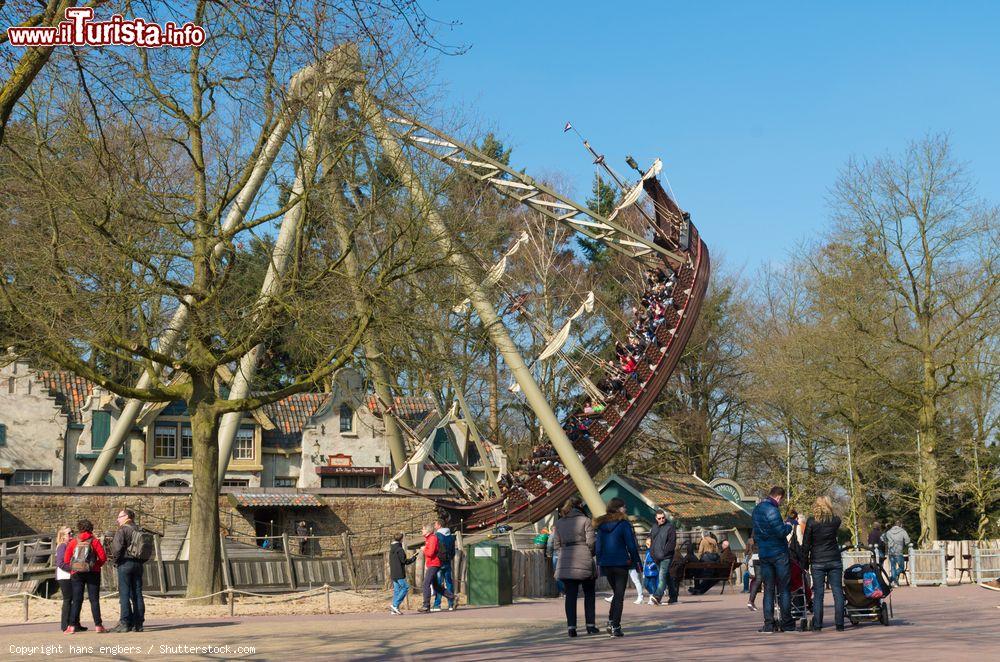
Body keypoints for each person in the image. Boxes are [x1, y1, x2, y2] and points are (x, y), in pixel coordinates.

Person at [552, 496, 598, 637]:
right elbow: (591, 543)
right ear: (580, 506)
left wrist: (564, 553)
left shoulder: (559, 523)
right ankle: (590, 626)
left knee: (570, 595)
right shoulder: (586, 521)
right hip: (584, 557)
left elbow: (556, 545)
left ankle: (571, 628)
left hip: (566, 560)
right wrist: (587, 553)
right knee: (589, 593)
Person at [594, 497, 641, 637]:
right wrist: (636, 561)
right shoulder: (624, 524)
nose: (626, 509)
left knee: (616, 593)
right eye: (624, 507)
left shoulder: (601, 525)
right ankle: (616, 626)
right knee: (619, 595)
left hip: (607, 563)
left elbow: (598, 546)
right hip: (621, 562)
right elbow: (631, 545)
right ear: (619, 508)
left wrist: (599, 562)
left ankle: (610, 620)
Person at [752, 486, 794, 633]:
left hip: (764, 554)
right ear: (778, 497)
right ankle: (787, 624)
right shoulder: (773, 510)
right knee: (784, 589)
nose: (781, 503)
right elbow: (781, 532)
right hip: (778, 554)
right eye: (781, 500)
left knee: (768, 589)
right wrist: (788, 525)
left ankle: (768, 624)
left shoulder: (756, 510)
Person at [802, 496, 845, 632]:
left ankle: (818, 624)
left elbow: (806, 544)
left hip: (818, 560)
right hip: (834, 559)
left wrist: (804, 562)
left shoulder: (811, 522)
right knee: (837, 592)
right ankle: (840, 623)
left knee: (819, 594)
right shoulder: (835, 521)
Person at [63, 518, 107, 634]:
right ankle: (98, 626)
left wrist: (74, 567)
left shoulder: (74, 542)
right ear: (90, 528)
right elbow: (103, 558)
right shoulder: (94, 541)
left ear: (79, 528)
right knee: (94, 600)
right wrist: (94, 565)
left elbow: (66, 559)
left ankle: (72, 626)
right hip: (93, 572)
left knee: (77, 600)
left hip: (76, 573)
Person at [108, 508, 146, 633]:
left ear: (126, 517)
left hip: (125, 563)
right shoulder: (139, 529)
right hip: (138, 564)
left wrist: (115, 561)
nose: (117, 519)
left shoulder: (122, 530)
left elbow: (116, 549)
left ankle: (125, 623)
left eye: (119, 517)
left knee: (124, 594)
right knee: (137, 593)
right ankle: (138, 623)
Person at [417, 523, 457, 613]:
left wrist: (424, 550)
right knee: (436, 586)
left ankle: (426, 605)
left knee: (426, 583)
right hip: (431, 564)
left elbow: (430, 553)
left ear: (428, 531)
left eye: (422, 529)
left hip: (434, 564)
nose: (421, 531)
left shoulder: (432, 538)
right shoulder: (428, 538)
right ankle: (452, 597)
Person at [54, 526, 85, 633]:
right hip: (64, 576)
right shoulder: (62, 546)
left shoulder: (70, 545)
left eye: (72, 533)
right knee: (68, 600)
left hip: (71, 575)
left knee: (76, 600)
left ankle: (75, 623)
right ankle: (65, 624)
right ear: (63, 536)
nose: (71, 535)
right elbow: (60, 563)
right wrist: (73, 569)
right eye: (69, 533)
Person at [649, 510, 678, 605]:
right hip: (656, 556)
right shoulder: (654, 527)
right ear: (656, 519)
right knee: (667, 576)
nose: (662, 520)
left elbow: (672, 543)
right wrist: (652, 554)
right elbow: (651, 541)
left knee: (662, 576)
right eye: (659, 518)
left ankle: (657, 596)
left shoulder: (670, 527)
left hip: (666, 557)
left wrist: (664, 553)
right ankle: (673, 596)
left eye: (663, 517)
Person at [388, 532, 418, 614]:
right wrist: (413, 558)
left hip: (393, 573)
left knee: (397, 590)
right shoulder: (400, 550)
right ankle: (395, 605)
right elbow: (405, 561)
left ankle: (394, 609)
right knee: (405, 587)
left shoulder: (391, 549)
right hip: (399, 573)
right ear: (401, 539)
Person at [432, 518, 456, 611]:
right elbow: (453, 550)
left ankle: (437, 604)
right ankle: (451, 604)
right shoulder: (450, 536)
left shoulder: (437, 535)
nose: (434, 526)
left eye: (435, 525)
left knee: (438, 584)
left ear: (439, 525)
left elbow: (435, 549)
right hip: (448, 561)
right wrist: (449, 557)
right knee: (449, 583)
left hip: (439, 562)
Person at [882, 519, 911, 586]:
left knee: (893, 567)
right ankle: (892, 579)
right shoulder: (903, 531)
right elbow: (907, 541)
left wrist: (888, 543)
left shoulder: (889, 532)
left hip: (891, 551)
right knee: (901, 567)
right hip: (899, 552)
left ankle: (893, 580)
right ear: (901, 525)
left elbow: (882, 538)